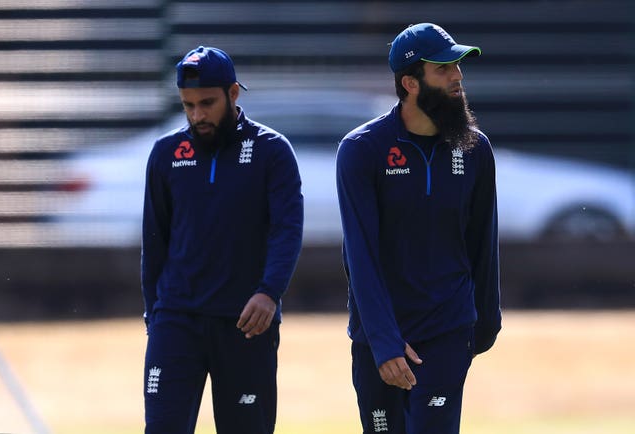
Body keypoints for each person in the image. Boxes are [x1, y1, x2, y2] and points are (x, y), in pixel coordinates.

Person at [336, 23, 502, 433]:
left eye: (458, 67)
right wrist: (384, 340)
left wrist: (484, 325)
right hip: (378, 338)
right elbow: (361, 255)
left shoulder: (475, 149)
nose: (457, 76)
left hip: (448, 331)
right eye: (444, 69)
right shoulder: (361, 150)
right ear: (410, 83)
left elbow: (483, 243)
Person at [141, 46, 303, 434]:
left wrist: (269, 292)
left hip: (247, 325)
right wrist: (156, 314)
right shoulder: (166, 154)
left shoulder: (272, 152)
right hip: (176, 322)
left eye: (207, 103)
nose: (197, 115)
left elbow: (288, 230)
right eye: (188, 105)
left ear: (233, 94)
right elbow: (155, 241)